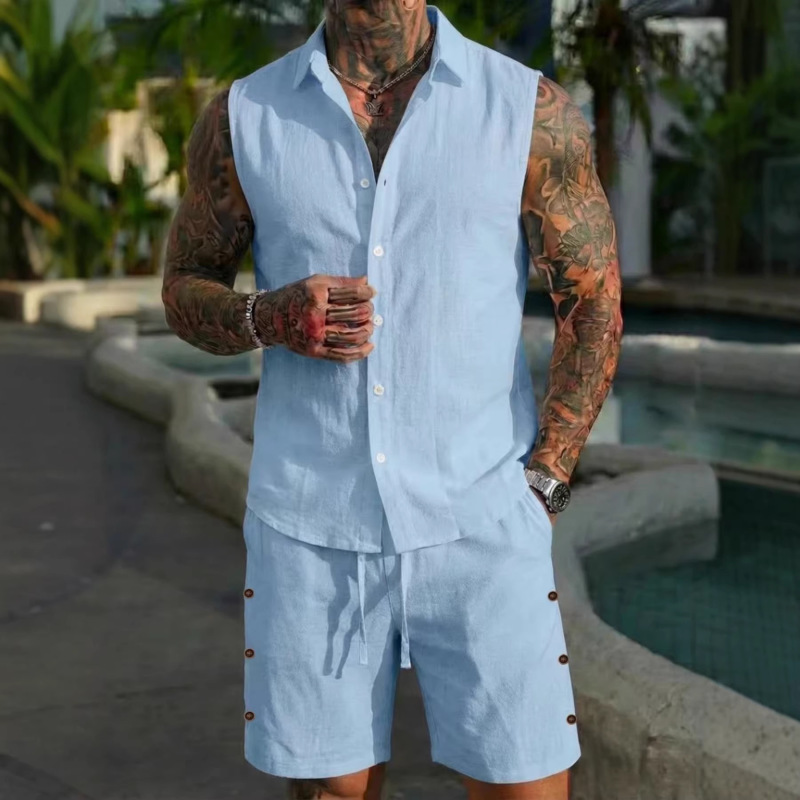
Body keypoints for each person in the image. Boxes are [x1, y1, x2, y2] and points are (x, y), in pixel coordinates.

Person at [161, 0, 622, 797]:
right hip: (310, 527)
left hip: (482, 517)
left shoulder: (527, 109)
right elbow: (183, 287)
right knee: (332, 792)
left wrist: (546, 480)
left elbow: (593, 302)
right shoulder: (244, 116)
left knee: (525, 789)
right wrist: (268, 317)